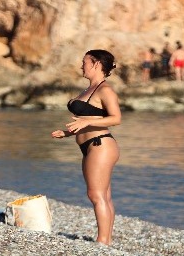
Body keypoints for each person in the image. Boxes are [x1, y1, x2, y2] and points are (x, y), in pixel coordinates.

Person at [51, 49, 121, 245]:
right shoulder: (88, 89)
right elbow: (90, 119)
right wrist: (68, 133)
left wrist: (83, 124)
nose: (81, 66)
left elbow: (116, 118)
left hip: (101, 144)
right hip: (89, 147)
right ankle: (106, 240)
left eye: (85, 62)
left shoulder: (105, 90)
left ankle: (103, 242)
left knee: (96, 194)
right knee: (103, 196)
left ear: (96, 64)